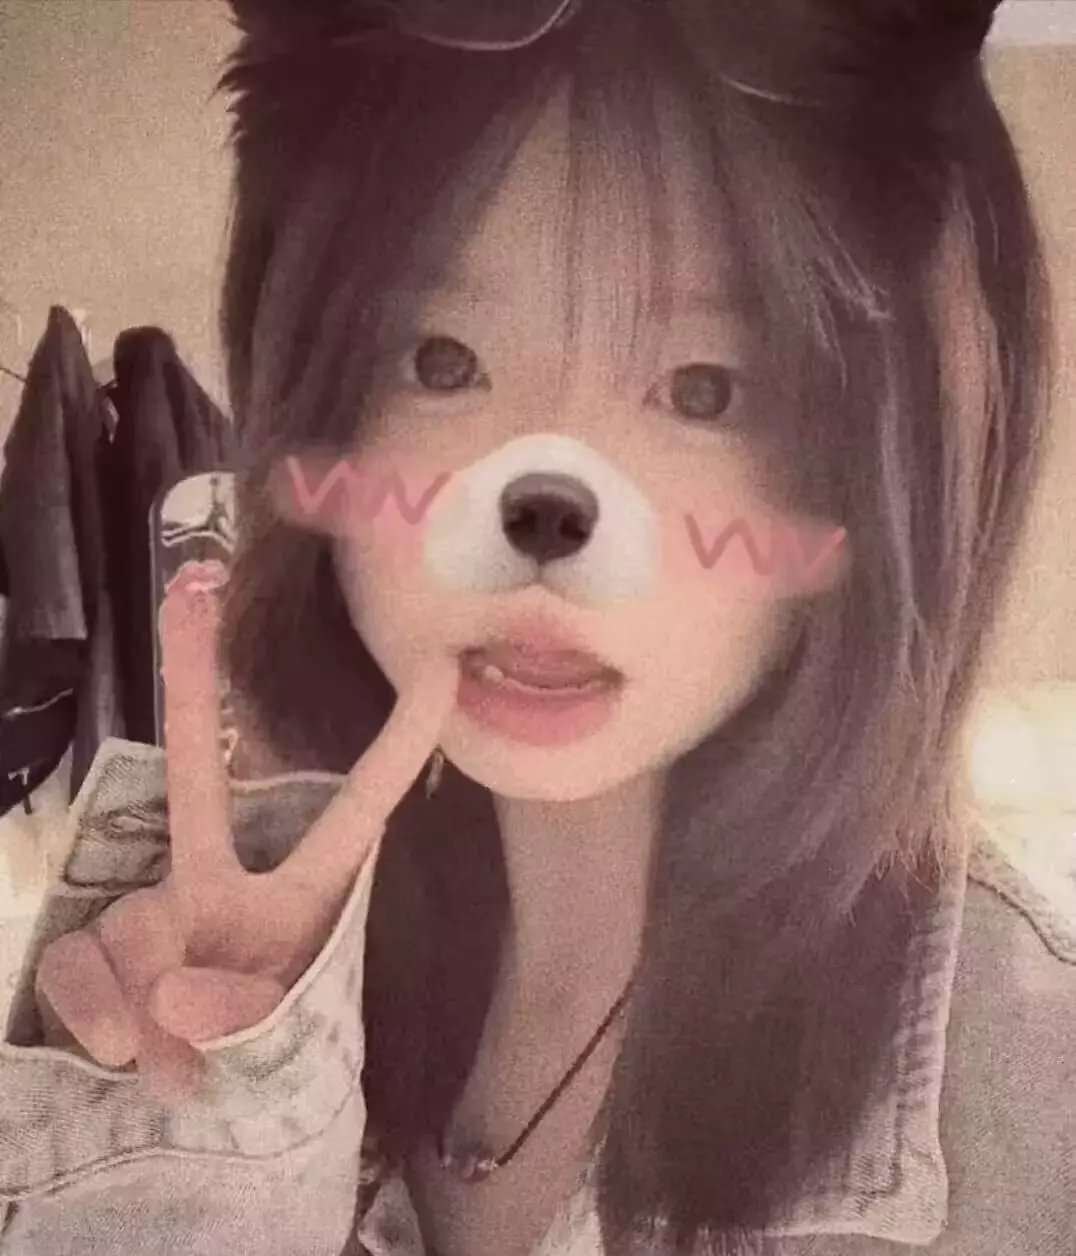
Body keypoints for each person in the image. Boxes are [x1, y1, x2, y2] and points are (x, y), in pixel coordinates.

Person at [1, 2, 1073, 1254]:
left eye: (702, 389)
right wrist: (197, 1151)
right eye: (441, 361)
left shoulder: (1033, 1100)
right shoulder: (253, 961)